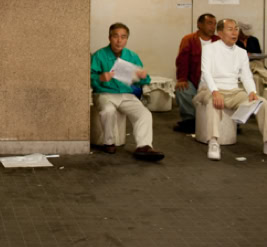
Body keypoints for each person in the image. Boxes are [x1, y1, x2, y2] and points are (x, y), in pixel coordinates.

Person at [194, 18, 267, 160]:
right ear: (220, 33)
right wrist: (215, 92)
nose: (234, 33)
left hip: (234, 92)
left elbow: (246, 76)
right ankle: (213, 142)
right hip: (209, 89)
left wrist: (252, 92)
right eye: (230, 29)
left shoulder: (241, 52)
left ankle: (266, 141)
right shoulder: (209, 49)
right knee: (213, 103)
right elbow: (206, 73)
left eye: (236, 29)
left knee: (262, 103)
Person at [91, 22, 164, 161]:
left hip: (126, 94)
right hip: (104, 93)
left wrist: (143, 77)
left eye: (123, 37)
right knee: (108, 111)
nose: (119, 40)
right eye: (115, 36)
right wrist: (100, 77)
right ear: (109, 37)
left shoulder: (132, 56)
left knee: (144, 114)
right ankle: (109, 142)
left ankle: (144, 146)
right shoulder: (99, 55)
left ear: (127, 39)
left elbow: (143, 80)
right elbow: (88, 77)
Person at [174, 13, 219, 133]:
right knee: (182, 89)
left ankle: (225, 121)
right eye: (209, 23)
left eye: (214, 24)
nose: (213, 27)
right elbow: (182, 60)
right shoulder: (188, 39)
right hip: (195, 80)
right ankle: (190, 120)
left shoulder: (218, 41)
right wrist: (182, 79)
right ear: (199, 24)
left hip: (214, 81)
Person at [237, 21, 267, 96]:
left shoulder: (254, 40)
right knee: (255, 65)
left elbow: (259, 54)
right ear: (240, 31)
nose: (247, 36)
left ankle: (258, 98)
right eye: (245, 34)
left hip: (255, 64)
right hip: (241, 66)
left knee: (257, 77)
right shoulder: (234, 41)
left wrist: (254, 55)